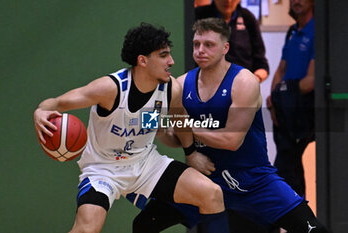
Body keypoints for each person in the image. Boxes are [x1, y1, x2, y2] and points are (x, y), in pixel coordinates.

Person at [133, 18, 328, 233]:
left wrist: (184, 125)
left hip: (254, 179)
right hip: (206, 178)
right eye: (197, 44)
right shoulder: (180, 84)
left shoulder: (244, 81)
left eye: (209, 45)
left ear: (225, 48)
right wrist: (159, 130)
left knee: (313, 230)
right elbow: (175, 137)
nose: (200, 50)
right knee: (143, 224)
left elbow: (231, 140)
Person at [33, 22, 231, 233]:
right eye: (163, 55)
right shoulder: (110, 88)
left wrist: (191, 153)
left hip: (146, 164)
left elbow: (179, 118)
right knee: (87, 229)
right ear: (142, 60)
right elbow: (56, 103)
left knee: (212, 194)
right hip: (103, 170)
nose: (171, 61)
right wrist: (40, 111)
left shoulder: (171, 88)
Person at [267, 0, 315, 198]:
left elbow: (312, 80)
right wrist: (274, 101)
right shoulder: (292, 31)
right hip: (285, 108)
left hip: (304, 110)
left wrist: (283, 93)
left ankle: (286, 219)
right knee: (290, 167)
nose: (296, 1)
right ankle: (300, 221)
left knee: (285, 167)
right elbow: (281, 69)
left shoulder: (318, 31)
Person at [195, 0, 269, 83]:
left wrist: (254, 80)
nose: (228, 1)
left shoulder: (247, 17)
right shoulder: (198, 16)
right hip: (206, 86)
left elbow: (261, 63)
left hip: (242, 87)